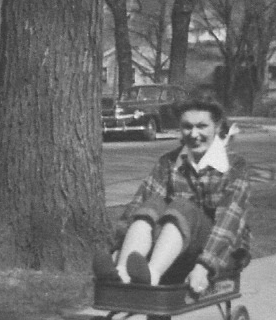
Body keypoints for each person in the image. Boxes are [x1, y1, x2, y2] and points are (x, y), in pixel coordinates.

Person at [94, 101, 251, 294]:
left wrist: (204, 266)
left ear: (217, 127)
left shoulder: (234, 166)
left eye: (202, 126)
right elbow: (138, 205)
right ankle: (122, 271)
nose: (194, 135)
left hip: (218, 251)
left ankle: (151, 274)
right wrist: (116, 248)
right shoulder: (169, 162)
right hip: (172, 248)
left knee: (182, 207)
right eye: (187, 127)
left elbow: (229, 224)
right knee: (152, 203)